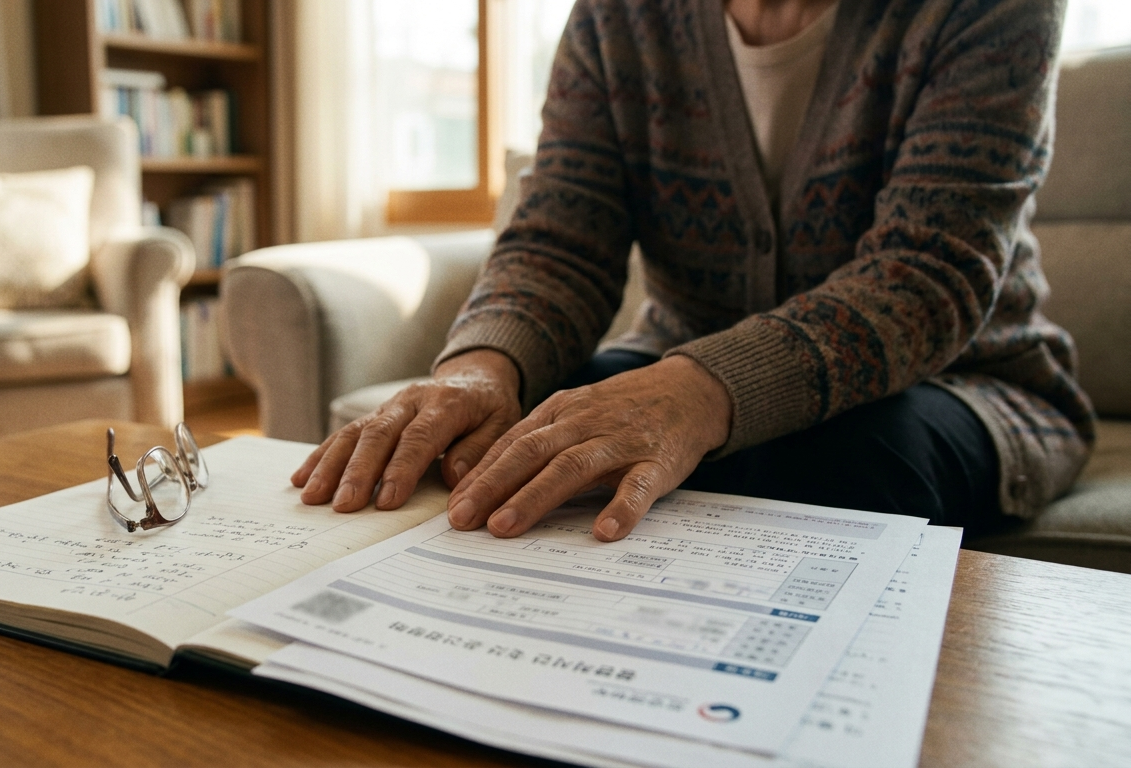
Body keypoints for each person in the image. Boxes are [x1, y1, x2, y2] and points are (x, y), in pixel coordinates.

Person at [293, 0, 1095, 543]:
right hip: (672, 359)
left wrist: (698, 395)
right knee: (506, 443)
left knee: (845, 462)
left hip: (963, 384)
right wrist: (480, 370)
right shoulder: (619, 15)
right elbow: (561, 239)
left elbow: (925, 278)